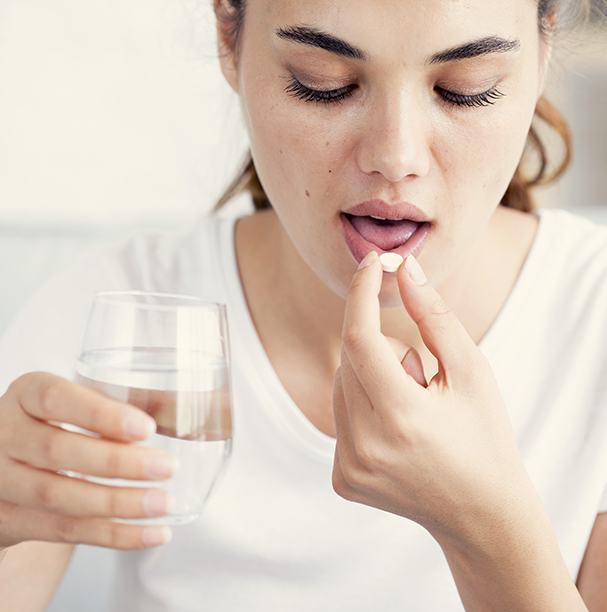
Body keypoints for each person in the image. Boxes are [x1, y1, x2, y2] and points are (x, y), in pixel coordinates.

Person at [0, 0, 606, 610]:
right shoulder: (117, 324)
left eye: (463, 90)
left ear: (543, 47)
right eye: (324, 84)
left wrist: (486, 527)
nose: (396, 158)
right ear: (228, 40)